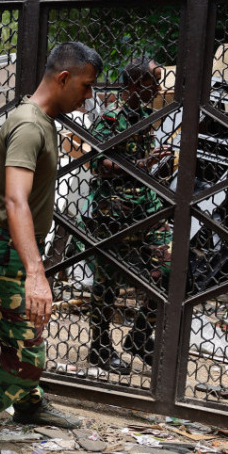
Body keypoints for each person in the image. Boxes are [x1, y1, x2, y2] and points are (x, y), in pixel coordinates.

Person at [0, 43, 97, 454]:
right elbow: (15, 201)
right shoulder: (31, 126)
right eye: (86, 86)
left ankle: (30, 405)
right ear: (64, 79)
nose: (88, 96)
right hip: (8, 254)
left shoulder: (42, 120)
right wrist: (36, 272)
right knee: (29, 356)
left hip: (14, 249)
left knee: (20, 339)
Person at [85, 58, 173, 375]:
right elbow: (95, 163)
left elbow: (145, 167)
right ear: (135, 85)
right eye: (154, 82)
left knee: (169, 268)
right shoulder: (110, 119)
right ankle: (100, 347)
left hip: (146, 210)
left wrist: (159, 166)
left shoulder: (149, 117)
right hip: (113, 213)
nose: (159, 88)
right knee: (106, 285)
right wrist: (142, 163)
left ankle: (138, 337)